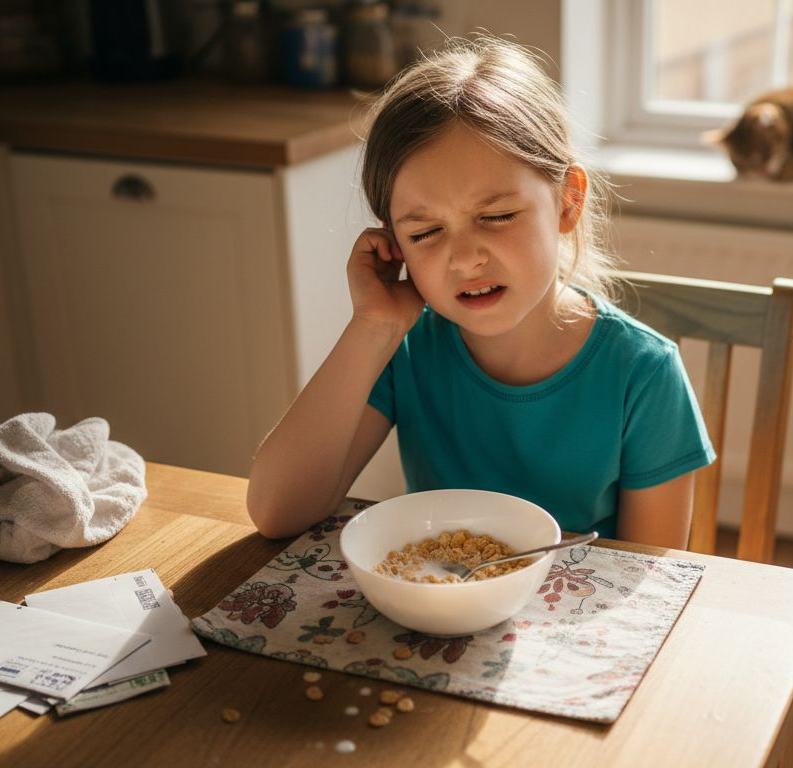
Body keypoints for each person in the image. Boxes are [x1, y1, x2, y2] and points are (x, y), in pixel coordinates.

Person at [246, 35, 715, 548]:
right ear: (395, 242)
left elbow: (652, 576)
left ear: (567, 202)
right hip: (433, 615)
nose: (466, 259)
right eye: (424, 233)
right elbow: (276, 512)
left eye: (496, 217)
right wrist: (373, 326)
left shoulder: (644, 374)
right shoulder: (404, 349)